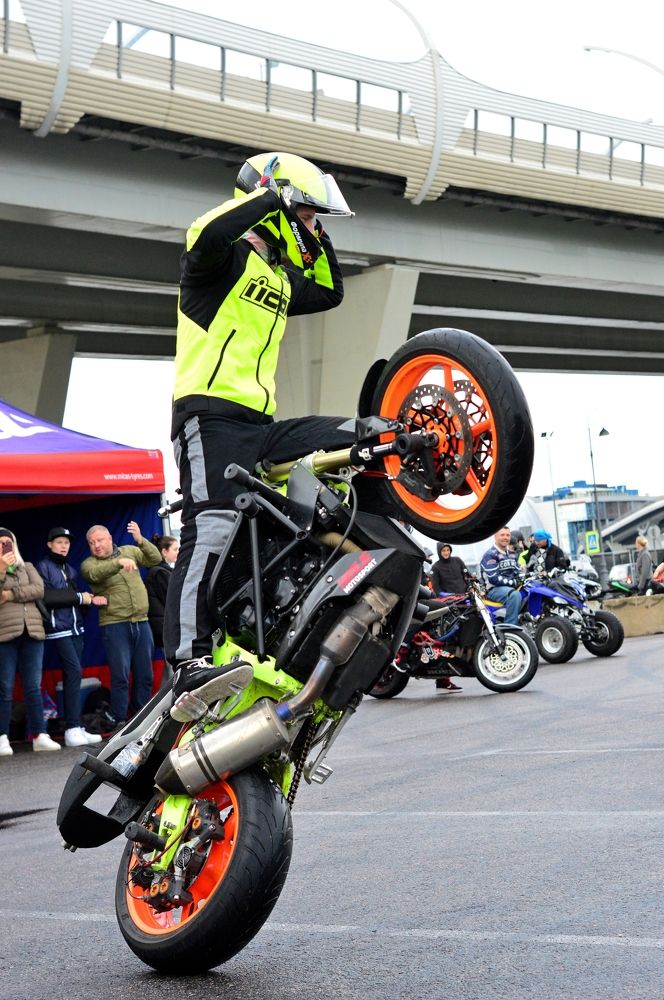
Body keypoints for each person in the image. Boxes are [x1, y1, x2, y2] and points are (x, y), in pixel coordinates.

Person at [163, 150, 365, 695]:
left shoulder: (275, 276)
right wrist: (272, 200)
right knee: (211, 529)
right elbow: (201, 234)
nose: (313, 227)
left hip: (262, 424)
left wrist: (313, 235)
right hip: (210, 415)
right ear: (274, 202)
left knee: (361, 438)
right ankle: (187, 661)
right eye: (307, 215)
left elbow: (329, 291)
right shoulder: (217, 263)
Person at [81, 522, 161, 727]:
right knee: (121, 676)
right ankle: (120, 720)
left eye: (99, 540)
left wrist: (141, 540)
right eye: (92, 543)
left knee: (145, 675)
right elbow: (95, 575)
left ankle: (142, 719)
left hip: (141, 621)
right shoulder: (89, 564)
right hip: (115, 624)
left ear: (109, 538)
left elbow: (156, 558)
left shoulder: (129, 551)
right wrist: (118, 563)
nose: (96, 545)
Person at [36, 526, 107, 747]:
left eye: (66, 543)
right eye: (59, 542)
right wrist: (79, 598)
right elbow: (47, 597)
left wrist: (87, 601)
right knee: (73, 672)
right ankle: (72, 727)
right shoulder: (43, 567)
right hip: (59, 630)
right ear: (50, 544)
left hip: (76, 628)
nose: (64, 546)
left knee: (74, 676)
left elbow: (77, 599)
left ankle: (75, 727)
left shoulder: (69, 568)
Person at [0, 527, 61, 755]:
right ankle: (1, 736)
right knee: (4, 688)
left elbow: (39, 589)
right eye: (0, 543)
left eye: (8, 542)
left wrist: (10, 594)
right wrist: (2, 569)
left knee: (33, 686)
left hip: (32, 631)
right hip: (5, 633)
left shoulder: (28, 567)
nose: (5, 546)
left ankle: (39, 734)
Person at [480, 526, 524, 625]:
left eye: (508, 535)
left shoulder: (511, 554)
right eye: (502, 535)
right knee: (514, 595)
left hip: (509, 587)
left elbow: (517, 571)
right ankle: (511, 627)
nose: (505, 537)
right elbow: (493, 578)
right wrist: (514, 582)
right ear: (495, 536)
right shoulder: (490, 554)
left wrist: (524, 577)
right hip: (494, 590)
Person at [146, 534, 179, 649]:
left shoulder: (161, 571)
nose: (178, 552)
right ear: (164, 552)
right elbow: (171, 600)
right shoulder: (160, 573)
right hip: (166, 627)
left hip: (165, 626)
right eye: (175, 549)